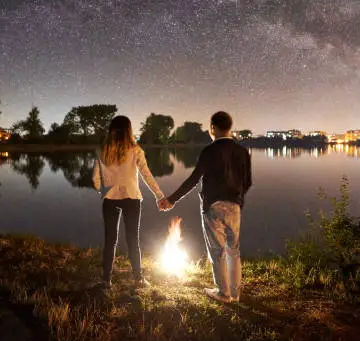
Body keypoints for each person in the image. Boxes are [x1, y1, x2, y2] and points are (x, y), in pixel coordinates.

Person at [158, 111, 252, 303]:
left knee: (217, 251)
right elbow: (247, 182)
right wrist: (238, 198)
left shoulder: (209, 151)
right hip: (234, 206)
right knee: (233, 250)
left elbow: (193, 179)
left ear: (213, 128)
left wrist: (172, 199)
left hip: (213, 206)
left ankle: (223, 293)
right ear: (229, 127)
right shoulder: (242, 152)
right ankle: (235, 293)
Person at [93, 115, 165, 288]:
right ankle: (138, 278)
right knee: (133, 239)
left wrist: (103, 191)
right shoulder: (136, 150)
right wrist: (159, 195)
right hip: (132, 199)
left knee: (110, 240)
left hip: (109, 200)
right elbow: (146, 175)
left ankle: (106, 280)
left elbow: (96, 179)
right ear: (129, 130)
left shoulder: (104, 150)